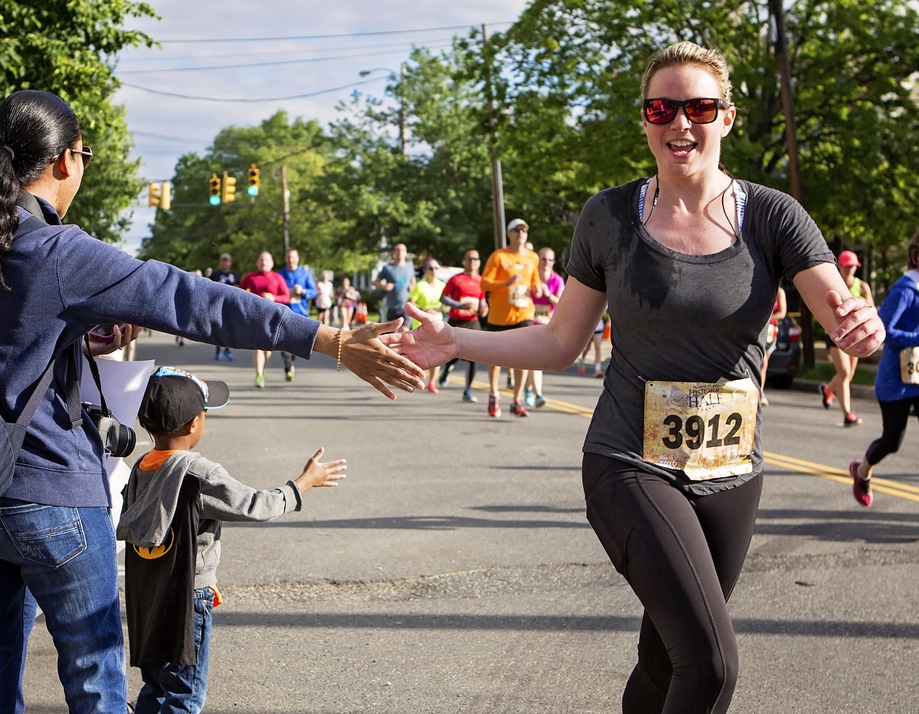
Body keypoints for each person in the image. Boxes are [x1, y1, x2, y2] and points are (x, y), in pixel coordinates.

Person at [385, 42, 884, 713]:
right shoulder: (610, 217)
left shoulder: (772, 216)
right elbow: (562, 341)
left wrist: (859, 324)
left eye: (699, 107)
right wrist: (456, 343)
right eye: (663, 107)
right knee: (709, 665)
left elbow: (834, 303)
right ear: (645, 120)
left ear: (726, 118)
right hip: (628, 460)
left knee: (662, 662)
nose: (682, 123)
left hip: (731, 468)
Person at [0, 89, 423, 714]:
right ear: (66, 161)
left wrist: (85, 335)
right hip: (48, 498)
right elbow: (192, 299)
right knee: (94, 682)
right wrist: (329, 339)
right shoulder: (58, 251)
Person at [119, 366, 346, 712]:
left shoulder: (141, 467)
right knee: (184, 694)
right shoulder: (198, 473)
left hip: (147, 592)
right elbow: (257, 505)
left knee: (157, 685)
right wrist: (303, 483)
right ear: (194, 423)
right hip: (188, 596)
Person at [849, 230, 919, 506]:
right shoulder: (904, 290)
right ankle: (862, 472)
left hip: (918, 376)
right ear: (916, 257)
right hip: (896, 382)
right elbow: (884, 331)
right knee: (892, 441)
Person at [480, 218, 541, 418]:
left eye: (524, 230)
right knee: (495, 357)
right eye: (516, 230)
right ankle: (494, 393)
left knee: (525, 356)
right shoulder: (499, 256)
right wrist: (505, 283)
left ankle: (517, 400)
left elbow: (535, 281)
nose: (521, 233)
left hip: (523, 312)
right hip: (499, 315)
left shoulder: (532, 257)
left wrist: (538, 287)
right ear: (509, 233)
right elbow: (484, 283)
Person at [819, 250, 874, 426]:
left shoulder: (862, 285)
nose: (851, 269)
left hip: (855, 335)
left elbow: (871, 308)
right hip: (835, 333)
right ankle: (848, 415)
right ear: (840, 266)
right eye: (848, 266)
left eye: (853, 266)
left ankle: (828, 390)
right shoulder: (832, 284)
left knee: (848, 375)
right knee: (843, 373)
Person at [438, 250, 488, 402]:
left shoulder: (482, 281)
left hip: (473, 322)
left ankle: (468, 390)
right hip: (457, 322)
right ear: (464, 261)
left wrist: (484, 309)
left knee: (474, 357)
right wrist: (459, 305)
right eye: (469, 258)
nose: (472, 261)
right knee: (455, 353)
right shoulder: (456, 279)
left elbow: (482, 301)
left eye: (475, 259)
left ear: (479, 262)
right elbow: (443, 298)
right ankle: (447, 368)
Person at [239, 252, 290, 388]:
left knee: (267, 348)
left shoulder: (277, 278)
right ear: (257, 262)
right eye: (261, 259)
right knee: (258, 346)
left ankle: (263, 369)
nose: (264, 262)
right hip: (255, 316)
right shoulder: (250, 277)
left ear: (272, 263)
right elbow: (238, 294)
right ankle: (259, 374)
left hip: (273, 317)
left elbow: (286, 297)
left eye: (267, 260)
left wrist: (274, 298)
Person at [527, 247, 565, 408]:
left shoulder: (557, 281)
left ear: (553, 262)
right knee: (534, 360)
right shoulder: (531, 279)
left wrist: (548, 295)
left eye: (550, 259)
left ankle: (529, 389)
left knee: (533, 361)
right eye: (543, 259)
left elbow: (562, 304)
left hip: (548, 326)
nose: (546, 263)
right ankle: (538, 394)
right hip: (529, 324)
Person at [277, 248, 318, 382]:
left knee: (295, 342)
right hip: (283, 312)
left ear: (298, 258)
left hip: (300, 312)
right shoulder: (280, 274)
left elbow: (313, 292)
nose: (290, 260)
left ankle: (292, 362)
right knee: (283, 342)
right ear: (285, 259)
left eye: (293, 257)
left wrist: (303, 291)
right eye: (288, 257)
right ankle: (288, 366)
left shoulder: (305, 274)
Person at [408, 258, 447, 392]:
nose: (434, 271)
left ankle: (432, 382)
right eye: (431, 268)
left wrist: (443, 308)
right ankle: (415, 374)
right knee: (420, 352)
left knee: (437, 352)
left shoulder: (442, 285)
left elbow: (446, 306)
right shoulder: (420, 285)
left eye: (436, 268)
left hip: (438, 322)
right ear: (425, 270)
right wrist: (424, 310)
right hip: (421, 323)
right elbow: (410, 302)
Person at [372, 242, 415, 330]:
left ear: (406, 253)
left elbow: (413, 282)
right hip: (392, 306)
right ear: (394, 253)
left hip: (406, 306)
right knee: (392, 332)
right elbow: (375, 282)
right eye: (398, 250)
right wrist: (384, 287)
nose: (400, 252)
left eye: (402, 250)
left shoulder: (410, 267)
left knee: (404, 330)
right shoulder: (388, 268)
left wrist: (412, 287)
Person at [758, 287, 787, 406]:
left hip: (771, 332)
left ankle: (759, 391)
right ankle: (759, 393)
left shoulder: (780, 292)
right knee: (762, 363)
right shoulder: (761, 288)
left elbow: (782, 313)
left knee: (763, 365)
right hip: (759, 331)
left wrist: (767, 319)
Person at [209, 253, 239, 361]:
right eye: (223, 260)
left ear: (230, 262)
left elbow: (240, 288)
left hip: (231, 305)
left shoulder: (235, 274)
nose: (225, 262)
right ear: (220, 262)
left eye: (227, 260)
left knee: (230, 329)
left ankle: (227, 349)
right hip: (218, 305)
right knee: (217, 328)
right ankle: (218, 349)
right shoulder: (215, 274)